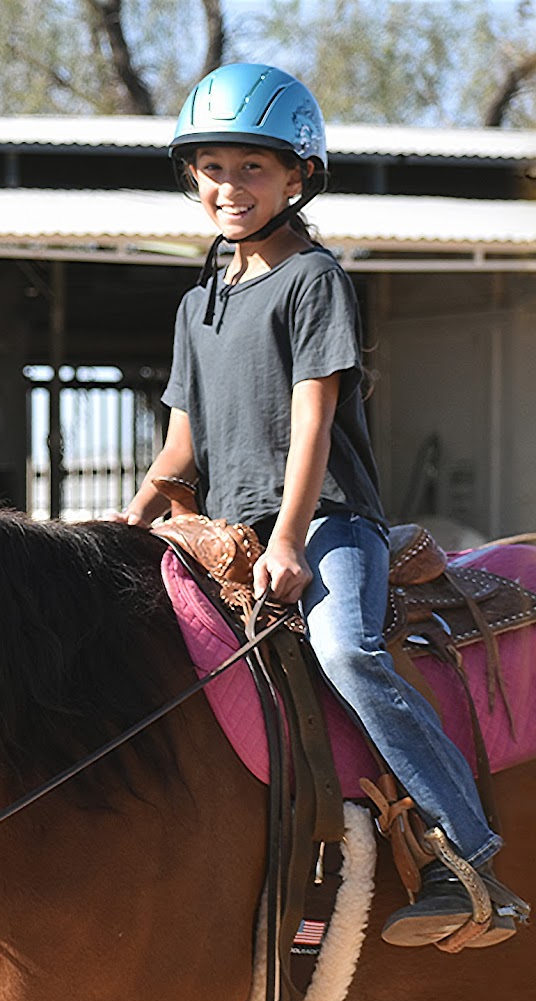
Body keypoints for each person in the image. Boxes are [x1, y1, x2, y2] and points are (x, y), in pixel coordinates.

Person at [118, 62, 527, 949]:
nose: (230, 187)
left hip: (326, 523)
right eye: (214, 167)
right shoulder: (199, 305)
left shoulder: (314, 280)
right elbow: (182, 447)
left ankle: (469, 849)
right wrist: (127, 516)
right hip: (226, 532)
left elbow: (314, 419)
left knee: (347, 649)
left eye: (254, 168)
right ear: (193, 177)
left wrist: (294, 538)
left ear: (299, 176)